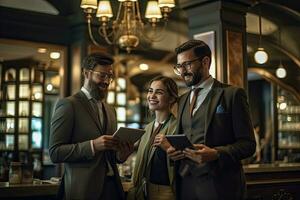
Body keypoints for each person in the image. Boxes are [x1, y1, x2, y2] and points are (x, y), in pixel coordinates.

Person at [167, 40, 256, 200]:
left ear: (205, 62)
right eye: (179, 66)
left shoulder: (232, 94)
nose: (182, 71)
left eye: (187, 64)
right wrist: (174, 153)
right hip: (185, 185)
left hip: (221, 186)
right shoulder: (182, 100)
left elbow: (248, 145)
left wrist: (216, 154)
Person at [49, 53, 133, 200]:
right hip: (83, 190)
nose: (106, 81)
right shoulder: (69, 105)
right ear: (86, 73)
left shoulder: (110, 110)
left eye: (110, 76)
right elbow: (55, 152)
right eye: (102, 75)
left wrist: (121, 155)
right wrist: (93, 145)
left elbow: (110, 154)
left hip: (112, 188)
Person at [128, 76, 178, 200]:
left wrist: (169, 148)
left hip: (167, 192)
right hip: (144, 190)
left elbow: (184, 163)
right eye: (150, 91)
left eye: (159, 92)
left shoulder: (178, 126)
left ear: (171, 98)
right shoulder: (148, 128)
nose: (152, 96)